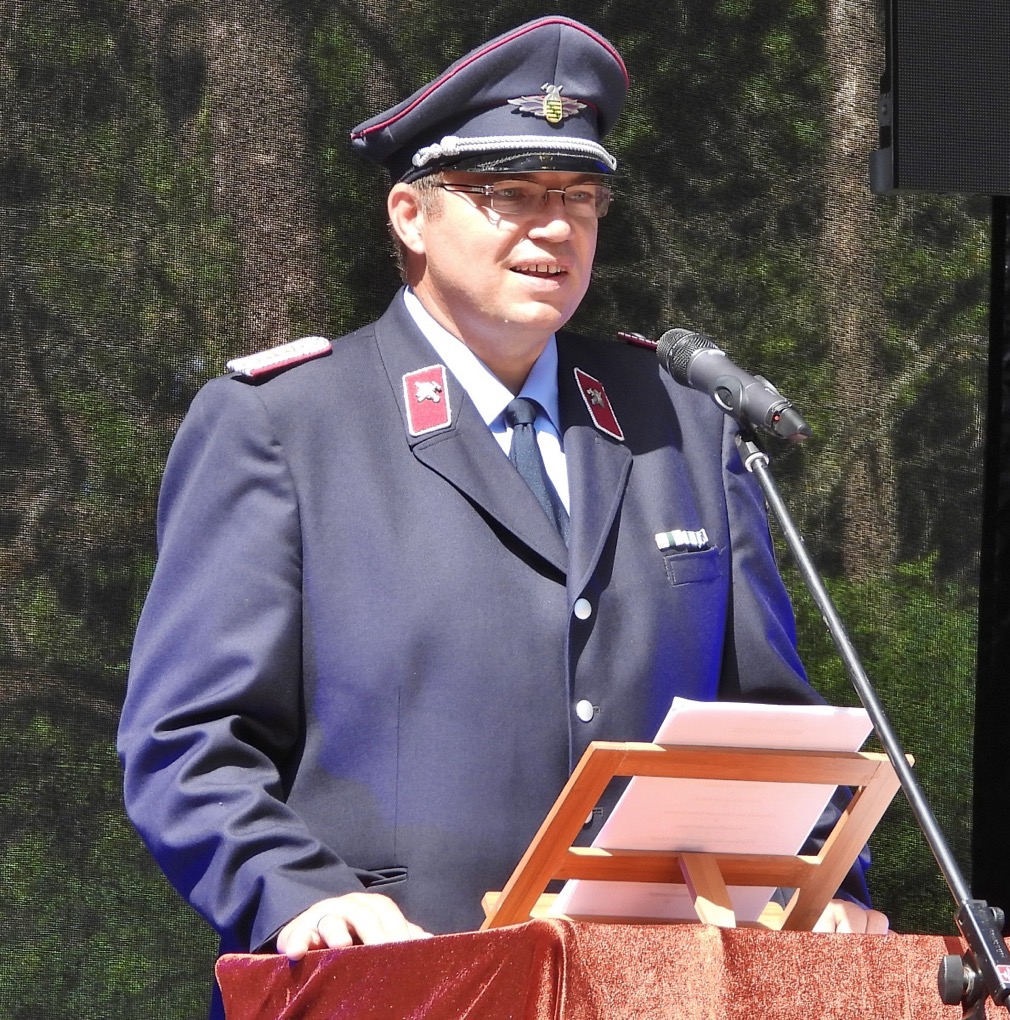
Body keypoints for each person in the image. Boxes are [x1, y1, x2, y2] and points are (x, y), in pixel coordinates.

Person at [118, 15, 886, 1018]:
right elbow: (187, 743)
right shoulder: (286, 424)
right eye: (510, 195)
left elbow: (768, 728)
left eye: (579, 198)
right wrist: (301, 896)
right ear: (409, 215)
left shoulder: (680, 421)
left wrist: (821, 894)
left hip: (655, 995)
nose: (556, 227)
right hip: (389, 989)